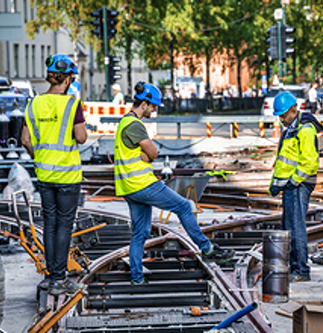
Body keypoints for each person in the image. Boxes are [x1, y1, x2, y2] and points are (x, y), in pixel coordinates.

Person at [114, 81, 228, 284]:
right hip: (143, 184)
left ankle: (137, 279)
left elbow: (142, 154)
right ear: (144, 104)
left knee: (140, 232)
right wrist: (147, 156)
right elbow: (154, 152)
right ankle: (207, 248)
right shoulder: (134, 125)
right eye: (153, 106)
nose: (154, 110)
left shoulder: (123, 122)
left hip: (128, 186)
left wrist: (145, 156)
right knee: (184, 206)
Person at [22, 54, 88, 296]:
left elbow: (25, 140)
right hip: (68, 177)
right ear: (69, 79)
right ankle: (58, 280)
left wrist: (39, 156)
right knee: (64, 226)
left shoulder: (33, 103)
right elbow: (81, 138)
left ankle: (50, 275)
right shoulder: (72, 104)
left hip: (44, 175)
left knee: (49, 225)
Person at [269, 92, 321, 282]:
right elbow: (285, 161)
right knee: (288, 226)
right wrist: (277, 184)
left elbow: (310, 163)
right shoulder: (292, 129)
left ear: (293, 110)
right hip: (291, 185)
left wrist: (293, 181)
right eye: (279, 116)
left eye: (284, 115)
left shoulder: (305, 130)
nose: (281, 120)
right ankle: (294, 267)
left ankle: (301, 270)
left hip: (299, 184)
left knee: (296, 227)